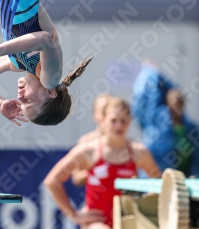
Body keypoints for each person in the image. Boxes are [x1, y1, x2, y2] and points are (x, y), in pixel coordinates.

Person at [44, 97, 161, 228]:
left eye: (123, 121)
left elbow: (158, 183)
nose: (119, 126)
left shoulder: (138, 152)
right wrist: (73, 215)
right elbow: (52, 181)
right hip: (96, 223)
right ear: (102, 120)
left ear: (129, 122)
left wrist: (144, 207)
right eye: (113, 120)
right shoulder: (89, 150)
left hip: (127, 222)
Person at [132, 62, 199, 177]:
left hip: (182, 180)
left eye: (179, 102)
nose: (175, 106)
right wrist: (152, 72)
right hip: (157, 178)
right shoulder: (155, 120)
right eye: (173, 102)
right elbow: (151, 94)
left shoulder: (191, 129)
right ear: (167, 102)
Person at [71, 94, 111, 186]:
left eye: (109, 110)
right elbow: (76, 178)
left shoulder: (123, 143)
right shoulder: (85, 142)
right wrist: (95, 172)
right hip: (95, 198)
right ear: (95, 115)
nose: (106, 115)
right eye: (103, 111)